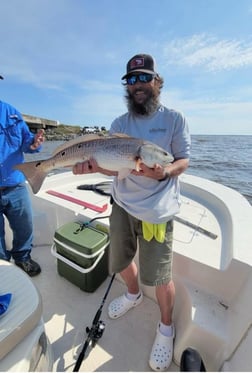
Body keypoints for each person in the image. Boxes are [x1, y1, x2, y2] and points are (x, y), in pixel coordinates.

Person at [73, 54, 191, 371]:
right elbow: (116, 171)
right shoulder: (119, 125)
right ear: (127, 86)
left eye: (144, 78)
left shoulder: (175, 119)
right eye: (131, 80)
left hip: (158, 211)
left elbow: (182, 160)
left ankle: (166, 326)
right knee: (122, 261)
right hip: (122, 206)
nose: (137, 85)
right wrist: (93, 169)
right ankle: (134, 295)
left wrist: (164, 173)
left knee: (161, 276)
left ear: (156, 81)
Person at [0, 75, 45, 276]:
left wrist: (35, 143)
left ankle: (23, 257)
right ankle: (4, 267)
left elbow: (28, 143)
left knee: (25, 225)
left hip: (16, 184)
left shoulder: (12, 114)